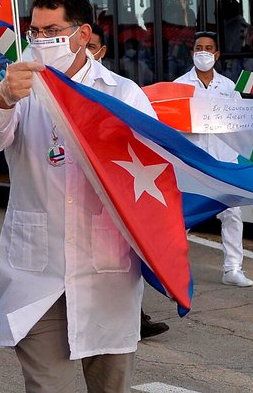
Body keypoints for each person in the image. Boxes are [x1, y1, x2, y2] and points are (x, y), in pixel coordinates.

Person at [0, 0, 156, 392]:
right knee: (46, 386)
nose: (39, 41)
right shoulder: (20, 86)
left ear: (82, 34)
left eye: (51, 31)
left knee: (110, 388)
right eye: (34, 32)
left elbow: (154, 172)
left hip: (104, 271)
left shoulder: (122, 94)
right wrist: (2, 97)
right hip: (38, 272)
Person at [90, 22, 169, 340]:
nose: (85, 52)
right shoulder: (52, 89)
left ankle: (134, 316)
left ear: (103, 51)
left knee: (122, 254)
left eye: (92, 47)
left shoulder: (121, 90)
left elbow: (151, 135)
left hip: (118, 185)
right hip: (75, 191)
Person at [174, 30, 253, 288]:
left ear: (217, 55)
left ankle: (233, 268)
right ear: (192, 52)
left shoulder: (229, 87)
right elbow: (173, 123)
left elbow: (240, 120)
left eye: (209, 48)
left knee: (232, 213)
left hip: (223, 161)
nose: (204, 53)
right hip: (194, 160)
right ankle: (173, 270)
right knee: (184, 216)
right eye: (199, 48)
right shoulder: (179, 85)